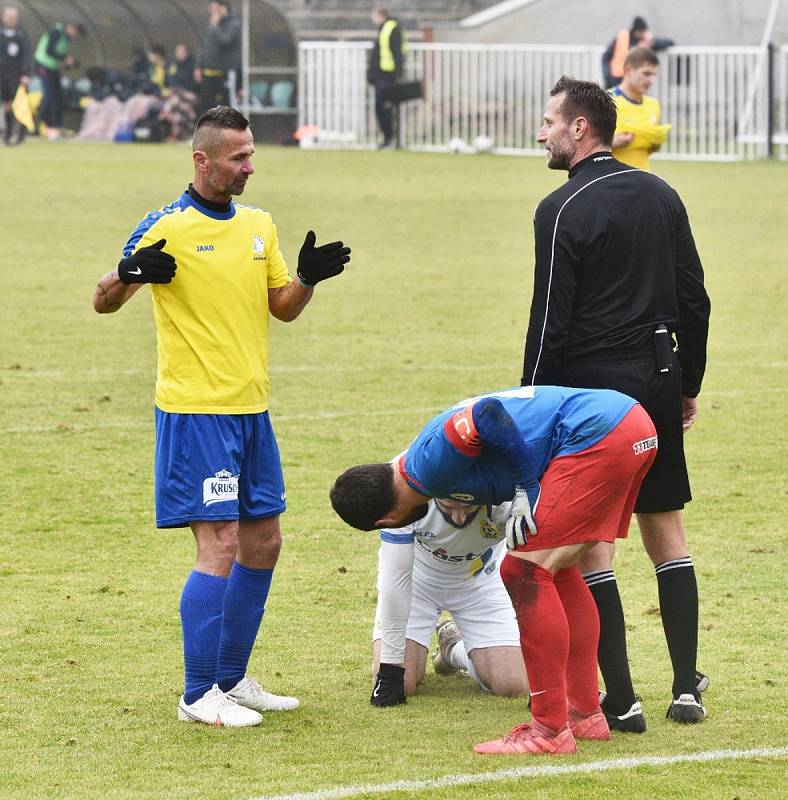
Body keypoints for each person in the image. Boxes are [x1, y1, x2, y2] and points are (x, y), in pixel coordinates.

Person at [92, 106, 351, 728]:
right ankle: (196, 692)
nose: (249, 167)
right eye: (237, 157)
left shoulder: (260, 225)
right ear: (201, 160)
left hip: (251, 410)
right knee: (221, 543)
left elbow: (281, 308)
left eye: (251, 154)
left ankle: (233, 679)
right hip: (195, 412)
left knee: (264, 543)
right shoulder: (167, 225)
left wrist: (309, 280)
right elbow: (104, 300)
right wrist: (126, 273)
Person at [520, 76, 711, 730]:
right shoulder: (662, 193)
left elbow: (549, 323)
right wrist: (688, 383)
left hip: (593, 398)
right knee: (666, 528)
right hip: (659, 378)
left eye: (548, 121)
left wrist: (532, 413)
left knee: (592, 546)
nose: (540, 131)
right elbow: (695, 299)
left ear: (580, 129)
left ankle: (622, 701)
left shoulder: (561, 207)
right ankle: (687, 687)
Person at [332, 385, 658, 754]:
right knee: (560, 569)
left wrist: (525, 484)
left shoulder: (424, 464)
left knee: (523, 572)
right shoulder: (421, 473)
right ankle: (584, 714)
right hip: (629, 425)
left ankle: (549, 731)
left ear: (385, 520)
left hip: (599, 433)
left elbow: (485, 413)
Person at [371, 498, 527, 706]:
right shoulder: (406, 485)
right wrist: (390, 674)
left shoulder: (511, 491)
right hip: (415, 583)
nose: (459, 517)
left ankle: (453, 650)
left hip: (482, 582)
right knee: (403, 682)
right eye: (448, 507)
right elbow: (394, 577)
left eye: (468, 508)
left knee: (513, 685)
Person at [610, 47, 671, 170]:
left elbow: (650, 150)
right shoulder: (608, 101)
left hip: (642, 178)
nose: (651, 80)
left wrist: (656, 142)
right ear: (629, 71)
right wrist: (613, 142)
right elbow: (589, 147)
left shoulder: (653, 105)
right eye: (646, 73)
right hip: (613, 179)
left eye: (654, 75)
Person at [33, 20, 84, 139]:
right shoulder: (56, 33)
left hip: (53, 68)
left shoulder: (66, 38)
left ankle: (56, 125)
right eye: (76, 34)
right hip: (43, 65)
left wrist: (69, 63)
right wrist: (65, 58)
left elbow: (60, 56)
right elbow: (49, 50)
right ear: (72, 28)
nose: (75, 38)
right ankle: (46, 123)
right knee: (50, 95)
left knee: (58, 96)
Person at [367, 7, 405, 149]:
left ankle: (389, 139)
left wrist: (397, 74)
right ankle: (388, 138)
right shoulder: (385, 29)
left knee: (384, 106)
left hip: (387, 76)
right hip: (381, 76)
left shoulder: (390, 28)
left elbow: (396, 52)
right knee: (382, 107)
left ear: (380, 16)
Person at [602, 16, 674, 89]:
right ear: (635, 30)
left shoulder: (647, 40)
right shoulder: (622, 36)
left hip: (633, 81)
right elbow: (606, 57)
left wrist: (653, 41)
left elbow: (669, 42)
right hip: (615, 79)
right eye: (640, 32)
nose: (642, 34)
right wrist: (607, 75)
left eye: (643, 32)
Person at [195, 0, 241, 114]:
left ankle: (231, 130)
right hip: (210, 71)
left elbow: (225, 41)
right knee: (205, 104)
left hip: (225, 72)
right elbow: (207, 46)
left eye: (213, 7)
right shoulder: (215, 24)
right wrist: (199, 66)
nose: (211, 10)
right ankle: (205, 131)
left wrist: (214, 26)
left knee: (227, 106)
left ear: (222, 7)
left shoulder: (233, 23)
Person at [0, 5, 31, 145]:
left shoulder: (22, 35)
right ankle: (7, 134)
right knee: (6, 104)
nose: (11, 19)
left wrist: (25, 73)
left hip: (17, 75)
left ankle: (20, 133)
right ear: (3, 17)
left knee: (18, 104)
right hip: (2, 75)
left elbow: (27, 55)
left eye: (13, 17)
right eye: (8, 16)